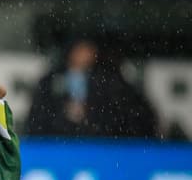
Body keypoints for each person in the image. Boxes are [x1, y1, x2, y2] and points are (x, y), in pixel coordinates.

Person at [26, 39, 158, 138]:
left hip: (98, 146)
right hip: (59, 144)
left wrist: (91, 115)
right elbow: (37, 118)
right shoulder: (51, 81)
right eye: (80, 48)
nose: (84, 53)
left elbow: (129, 115)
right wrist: (63, 115)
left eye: (89, 48)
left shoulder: (108, 80)